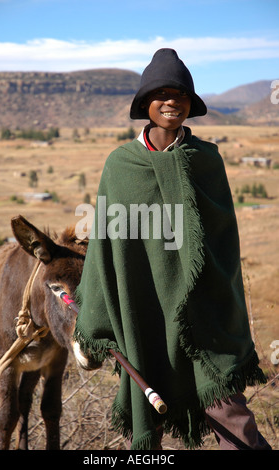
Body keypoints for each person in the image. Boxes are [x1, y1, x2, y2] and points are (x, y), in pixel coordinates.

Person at [74, 48, 271, 450]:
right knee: (150, 412)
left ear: (190, 104)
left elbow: (222, 251)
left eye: (180, 94)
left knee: (232, 418)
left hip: (205, 320)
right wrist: (97, 317)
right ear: (146, 103)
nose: (171, 101)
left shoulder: (206, 162)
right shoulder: (121, 166)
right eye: (161, 93)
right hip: (144, 312)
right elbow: (107, 249)